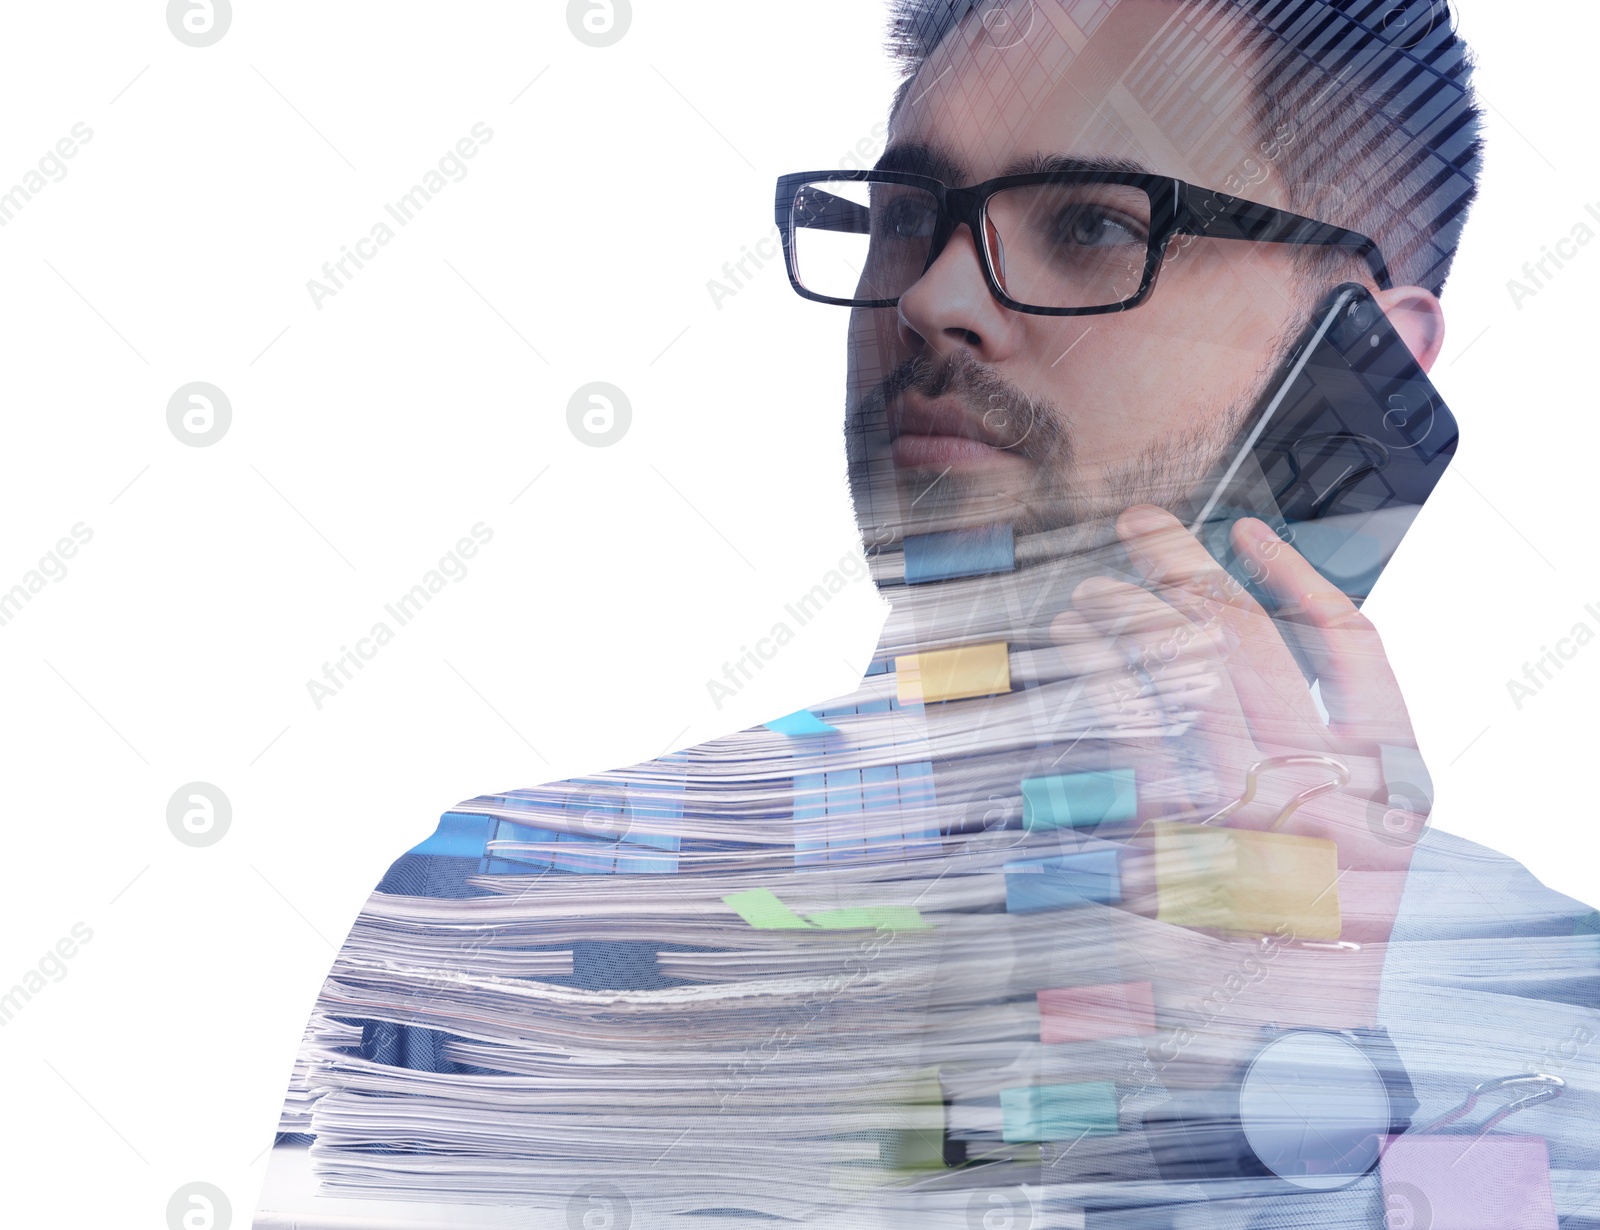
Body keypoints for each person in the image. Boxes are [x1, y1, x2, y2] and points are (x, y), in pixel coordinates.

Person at [255, 3, 1600, 1227]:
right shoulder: (501, 919)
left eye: (1092, 224)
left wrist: (1283, 1106)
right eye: (908, 213)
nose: (931, 298)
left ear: (1365, 349)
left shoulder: (1542, 1027)